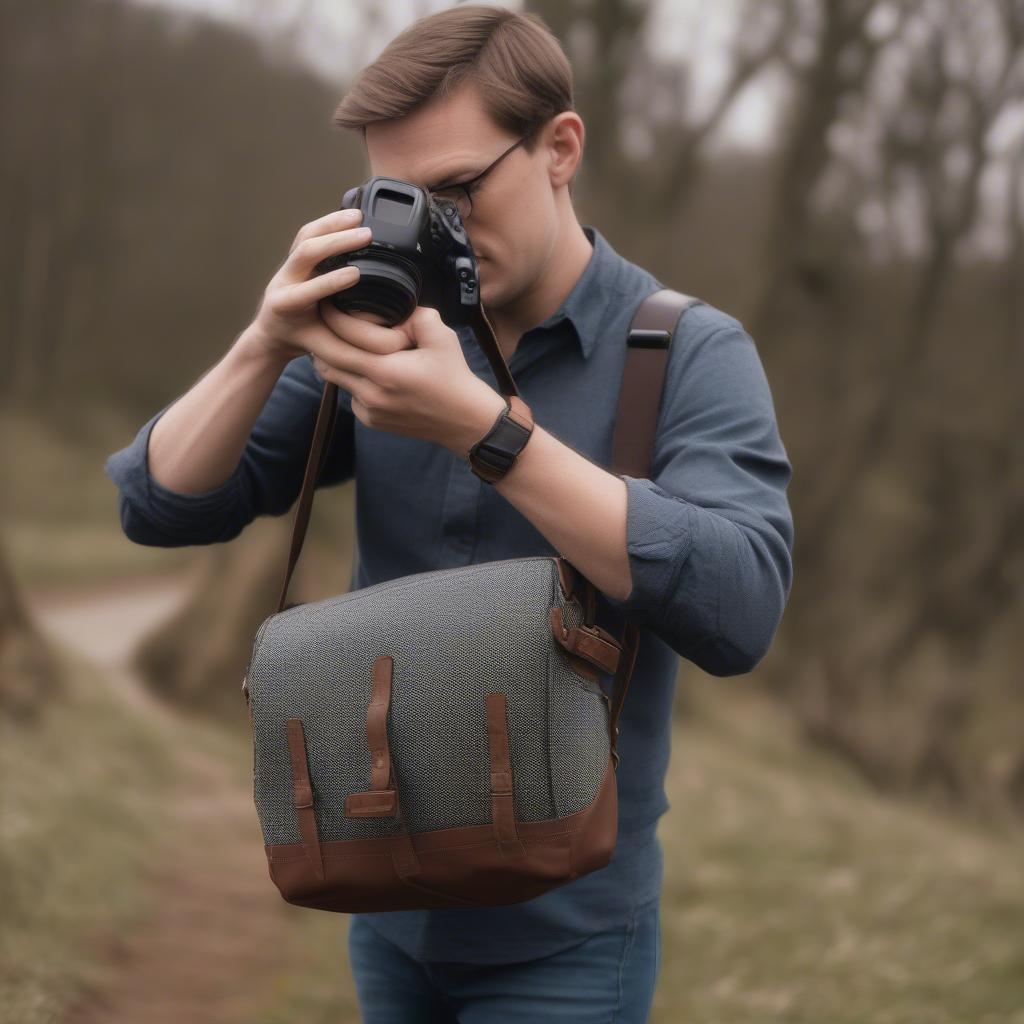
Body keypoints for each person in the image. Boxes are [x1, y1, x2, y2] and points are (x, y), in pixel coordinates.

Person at [104, 5, 794, 1021]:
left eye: (461, 189)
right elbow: (157, 504)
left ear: (560, 147)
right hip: (382, 903)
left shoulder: (687, 352)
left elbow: (741, 607)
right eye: (400, 196)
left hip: (565, 930)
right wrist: (265, 340)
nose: (436, 227)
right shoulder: (383, 334)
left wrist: (488, 432)